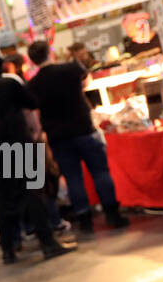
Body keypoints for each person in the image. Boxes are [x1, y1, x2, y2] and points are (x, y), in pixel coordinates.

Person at [0, 46, 75, 265]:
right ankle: (48, 244)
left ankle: (8, 250)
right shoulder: (7, 83)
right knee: (34, 196)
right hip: (19, 147)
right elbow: (32, 102)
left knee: (3, 202)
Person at [26, 39, 130, 234]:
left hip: (58, 137)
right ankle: (112, 213)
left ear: (32, 60)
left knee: (73, 178)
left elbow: (34, 110)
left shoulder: (34, 84)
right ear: (50, 52)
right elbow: (86, 82)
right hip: (84, 128)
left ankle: (84, 220)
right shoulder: (71, 69)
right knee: (100, 172)